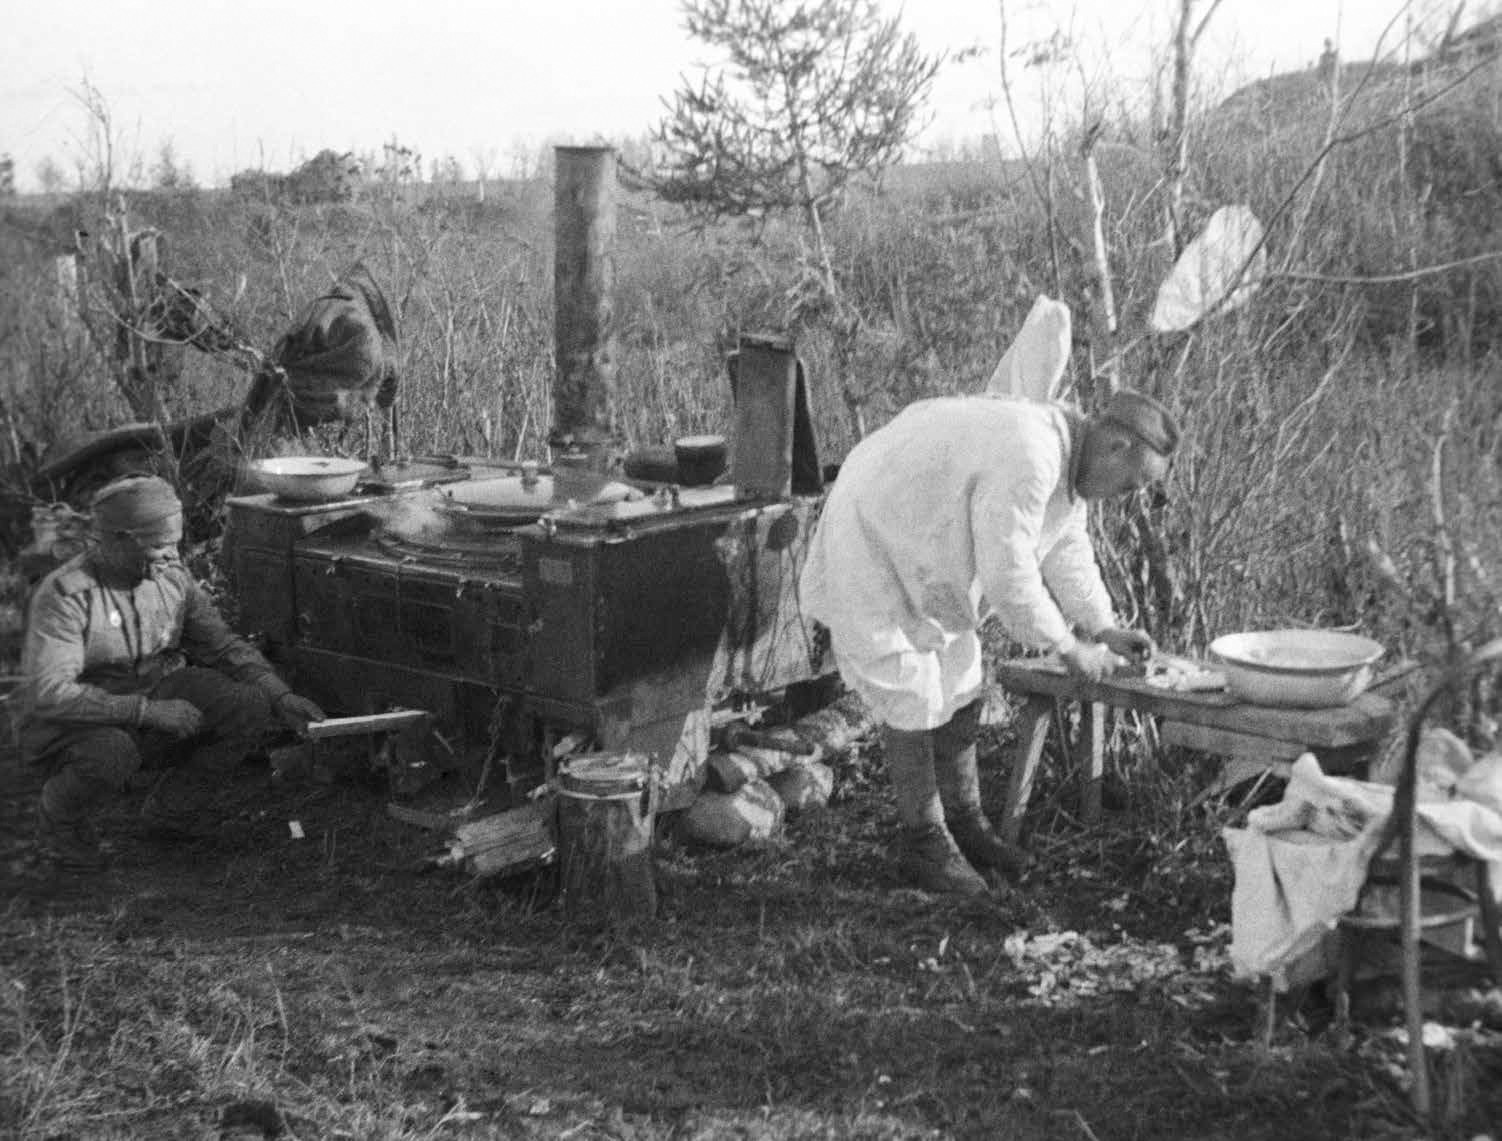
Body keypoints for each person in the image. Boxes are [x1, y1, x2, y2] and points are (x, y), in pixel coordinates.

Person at [799, 389, 1180, 896]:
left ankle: (965, 821)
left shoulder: (1068, 459)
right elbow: (1010, 577)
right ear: (1116, 447)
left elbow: (1065, 545)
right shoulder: (1032, 453)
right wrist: (1068, 647)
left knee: (961, 676)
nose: (1126, 495)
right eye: (1131, 484)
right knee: (907, 689)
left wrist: (1104, 626)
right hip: (873, 527)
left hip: (921, 541)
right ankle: (924, 842)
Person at [20, 474, 326, 871]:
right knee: (112, 752)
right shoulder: (66, 597)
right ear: (117, 540)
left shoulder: (172, 579)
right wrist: (146, 712)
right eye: (159, 545)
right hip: (69, 724)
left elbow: (222, 645)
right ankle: (58, 824)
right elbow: (50, 693)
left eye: (175, 544)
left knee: (248, 704)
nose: (172, 556)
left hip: (147, 699)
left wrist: (280, 695)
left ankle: (172, 811)